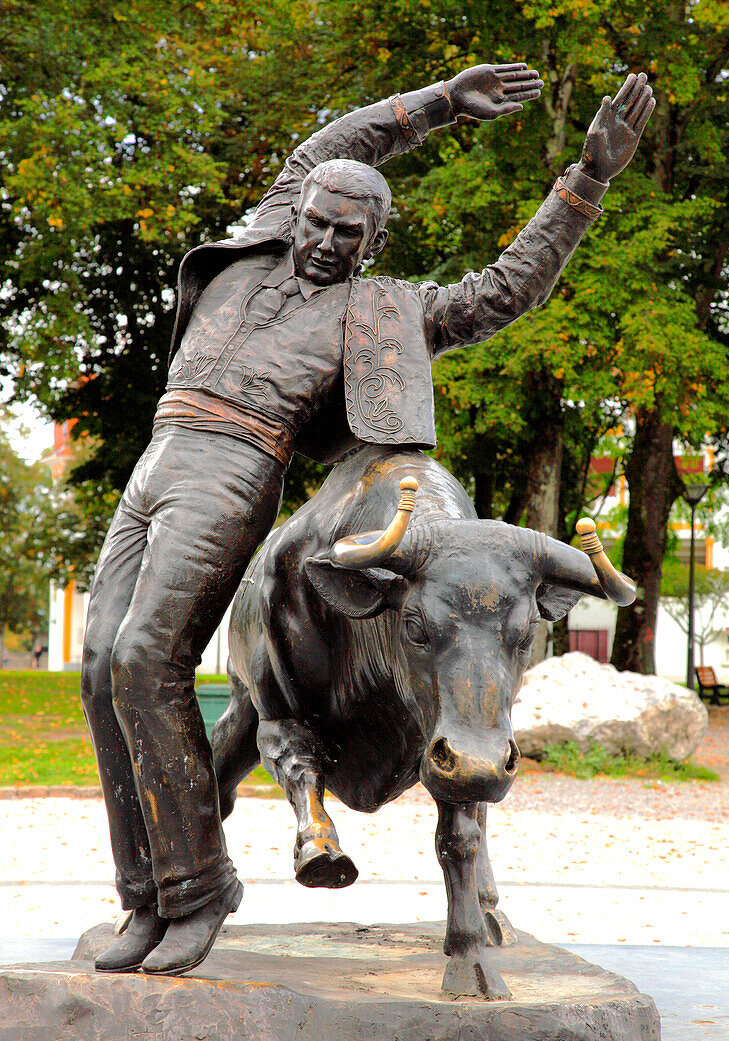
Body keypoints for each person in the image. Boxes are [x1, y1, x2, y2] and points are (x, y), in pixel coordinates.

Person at [81, 64, 654, 977]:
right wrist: (431, 105)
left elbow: (505, 289)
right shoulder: (266, 236)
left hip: (232, 474)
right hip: (158, 458)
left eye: (345, 234)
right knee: (101, 661)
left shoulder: (383, 314)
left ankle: (197, 891)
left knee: (151, 658)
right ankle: (143, 894)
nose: (320, 241)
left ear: (371, 241)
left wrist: (584, 183)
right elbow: (328, 148)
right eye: (314, 221)